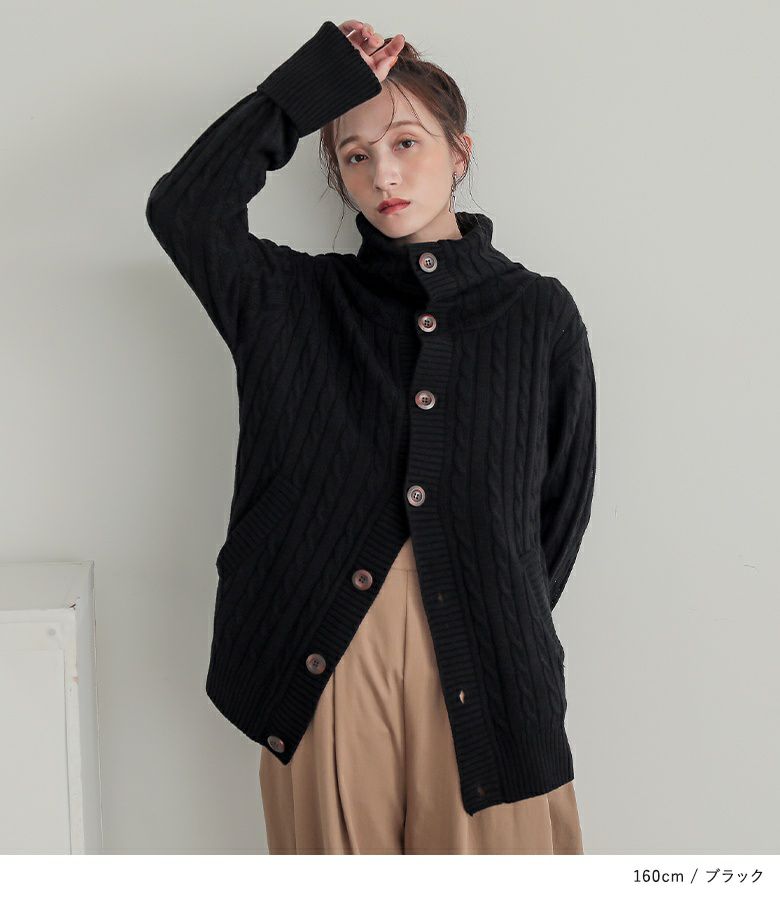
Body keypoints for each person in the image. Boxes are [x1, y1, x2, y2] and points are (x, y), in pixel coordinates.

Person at [146, 18, 596, 854]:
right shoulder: (289, 300)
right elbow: (185, 210)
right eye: (355, 156)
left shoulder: (538, 315)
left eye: (406, 143)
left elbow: (558, 512)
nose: (383, 174)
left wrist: (492, 623)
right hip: (324, 661)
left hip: (489, 669)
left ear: (460, 153)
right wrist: (304, 91)